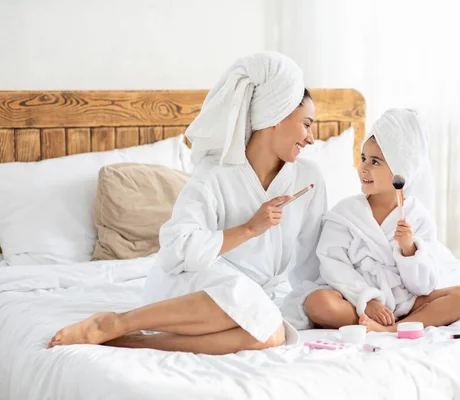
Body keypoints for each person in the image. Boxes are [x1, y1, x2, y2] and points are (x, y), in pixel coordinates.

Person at [48, 52, 327, 355]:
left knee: (271, 335)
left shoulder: (308, 178)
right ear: (276, 116)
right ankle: (122, 321)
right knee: (244, 299)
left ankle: (128, 338)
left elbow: (315, 258)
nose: (311, 138)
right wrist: (248, 229)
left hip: (253, 300)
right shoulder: (215, 174)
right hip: (194, 288)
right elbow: (177, 250)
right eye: (306, 124)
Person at [304, 109, 460, 332]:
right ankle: (380, 324)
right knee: (317, 303)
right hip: (358, 302)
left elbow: (424, 285)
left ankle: (392, 329)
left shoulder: (417, 217)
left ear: (400, 170)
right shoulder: (346, 213)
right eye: (363, 158)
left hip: (407, 302)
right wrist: (368, 300)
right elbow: (333, 265)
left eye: (375, 162)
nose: (363, 167)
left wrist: (409, 251)